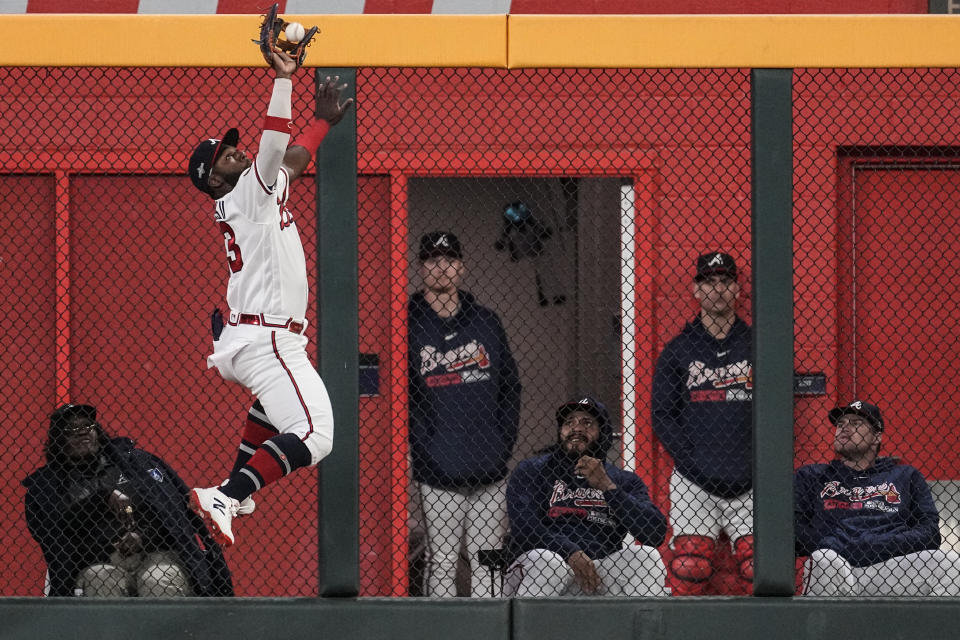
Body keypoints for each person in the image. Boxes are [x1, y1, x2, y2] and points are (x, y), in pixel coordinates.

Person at [185, 47, 353, 547]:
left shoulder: (254, 193)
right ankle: (226, 493)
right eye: (226, 155)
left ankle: (237, 491)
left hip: (250, 336)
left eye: (235, 147)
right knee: (316, 436)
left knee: (275, 407)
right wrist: (284, 81)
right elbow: (277, 145)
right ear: (214, 179)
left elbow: (293, 162)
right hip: (268, 340)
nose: (237, 151)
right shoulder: (242, 194)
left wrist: (321, 124)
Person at [408, 230, 522, 597]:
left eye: (449, 260)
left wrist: (501, 445)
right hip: (437, 470)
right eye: (432, 260)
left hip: (489, 467)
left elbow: (510, 386)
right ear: (421, 268)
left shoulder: (486, 321)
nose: (441, 268)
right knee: (441, 561)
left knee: (486, 558)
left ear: (462, 267)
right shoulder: (407, 322)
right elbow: (404, 396)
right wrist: (424, 449)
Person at [23, 404, 233, 597]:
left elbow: (171, 512)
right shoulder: (52, 484)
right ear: (59, 441)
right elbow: (57, 526)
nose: (82, 432)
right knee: (102, 582)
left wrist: (141, 535)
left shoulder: (133, 465)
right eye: (71, 429)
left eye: (87, 425)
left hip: (155, 553)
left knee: (157, 580)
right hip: (99, 560)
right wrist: (101, 498)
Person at [651, 251, 754, 595]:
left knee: (762, 568)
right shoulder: (678, 350)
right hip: (695, 480)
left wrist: (757, 460)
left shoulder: (760, 346)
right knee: (690, 567)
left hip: (753, 479)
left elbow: (779, 408)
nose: (718, 290)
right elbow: (663, 414)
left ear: (738, 290)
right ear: (695, 291)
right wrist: (692, 459)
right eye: (709, 282)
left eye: (726, 282)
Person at [503, 396, 668, 597]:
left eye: (587, 423)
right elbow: (524, 528)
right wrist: (569, 552)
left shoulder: (623, 480)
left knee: (646, 556)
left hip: (597, 571)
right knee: (548, 562)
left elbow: (655, 534)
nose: (577, 428)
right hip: (543, 565)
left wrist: (608, 488)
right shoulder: (533, 470)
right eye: (569, 422)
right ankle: (527, 628)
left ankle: (647, 628)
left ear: (602, 431)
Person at [795, 400, 960, 596]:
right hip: (838, 565)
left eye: (856, 423)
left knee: (949, 564)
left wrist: (878, 545)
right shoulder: (812, 475)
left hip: (890, 567)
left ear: (876, 437)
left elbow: (930, 533)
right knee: (823, 558)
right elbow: (793, 528)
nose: (844, 429)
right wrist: (836, 544)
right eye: (840, 424)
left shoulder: (906, 476)